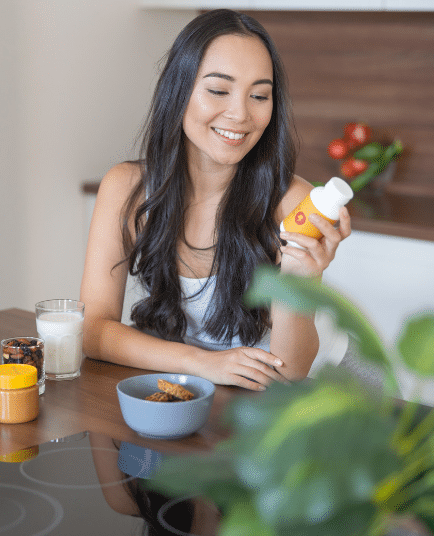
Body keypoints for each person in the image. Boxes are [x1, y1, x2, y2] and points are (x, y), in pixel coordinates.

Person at [80, 9, 351, 391]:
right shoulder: (126, 188)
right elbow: (93, 332)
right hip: (211, 387)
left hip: (321, 391)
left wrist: (298, 279)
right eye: (219, 90)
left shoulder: (294, 204)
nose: (240, 114)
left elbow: (291, 369)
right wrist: (203, 364)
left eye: (259, 95)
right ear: (179, 90)